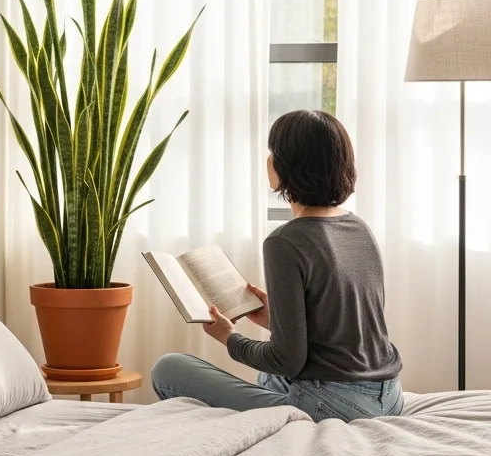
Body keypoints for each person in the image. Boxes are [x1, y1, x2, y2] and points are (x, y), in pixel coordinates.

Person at [151, 110, 404, 423]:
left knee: (169, 368)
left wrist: (228, 337)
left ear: (280, 168)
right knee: (268, 381)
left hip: (334, 404)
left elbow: (286, 360)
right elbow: (351, 333)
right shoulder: (358, 227)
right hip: (390, 396)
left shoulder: (285, 241)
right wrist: (276, 321)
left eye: (273, 153)